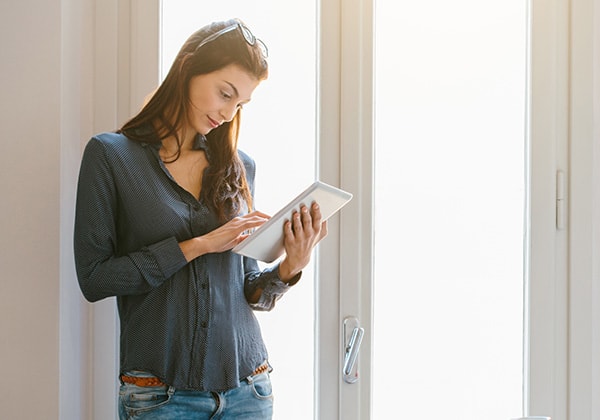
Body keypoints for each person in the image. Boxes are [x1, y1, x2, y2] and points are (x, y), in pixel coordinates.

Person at [74, 18, 326, 419]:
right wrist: (199, 245)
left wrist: (291, 266)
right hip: (159, 398)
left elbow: (246, 290)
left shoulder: (239, 167)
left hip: (249, 391)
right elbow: (95, 278)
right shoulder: (111, 157)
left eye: (240, 104)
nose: (228, 113)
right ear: (188, 68)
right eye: (225, 94)